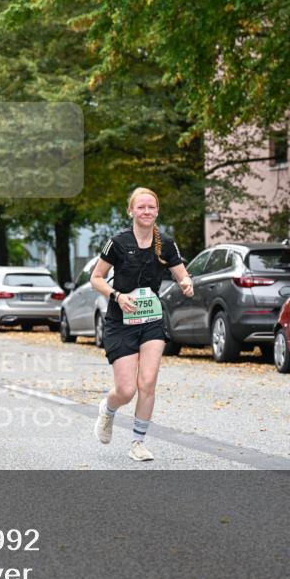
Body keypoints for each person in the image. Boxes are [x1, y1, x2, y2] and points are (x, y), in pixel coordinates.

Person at [90, 187, 194, 461]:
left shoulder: (167, 244)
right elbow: (96, 278)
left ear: (157, 211)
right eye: (141, 207)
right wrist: (117, 295)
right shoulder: (118, 243)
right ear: (131, 211)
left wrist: (187, 283)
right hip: (120, 320)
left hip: (151, 320)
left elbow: (183, 275)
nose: (146, 212)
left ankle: (138, 442)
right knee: (127, 390)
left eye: (151, 207)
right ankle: (108, 410)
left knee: (147, 383)